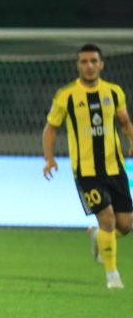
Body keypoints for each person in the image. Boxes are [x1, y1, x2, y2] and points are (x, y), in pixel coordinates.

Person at [42, 43, 133, 290]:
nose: (89, 66)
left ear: (101, 64)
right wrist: (49, 158)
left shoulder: (114, 92)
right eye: (84, 61)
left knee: (125, 225)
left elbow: (124, 121)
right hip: (86, 172)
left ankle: (97, 236)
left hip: (115, 168)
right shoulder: (66, 95)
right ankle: (112, 275)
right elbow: (51, 128)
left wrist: (131, 140)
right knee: (107, 219)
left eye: (93, 61)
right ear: (78, 65)